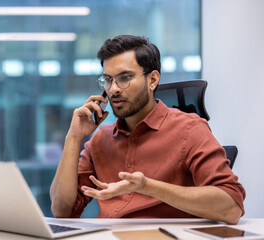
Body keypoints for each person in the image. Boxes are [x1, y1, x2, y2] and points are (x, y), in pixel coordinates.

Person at [50, 35, 245, 224]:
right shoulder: (101, 138)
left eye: (124, 78)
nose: (114, 89)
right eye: (108, 80)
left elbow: (231, 206)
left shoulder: (190, 129)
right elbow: (61, 209)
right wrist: (74, 137)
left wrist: (148, 187)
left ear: (152, 80)